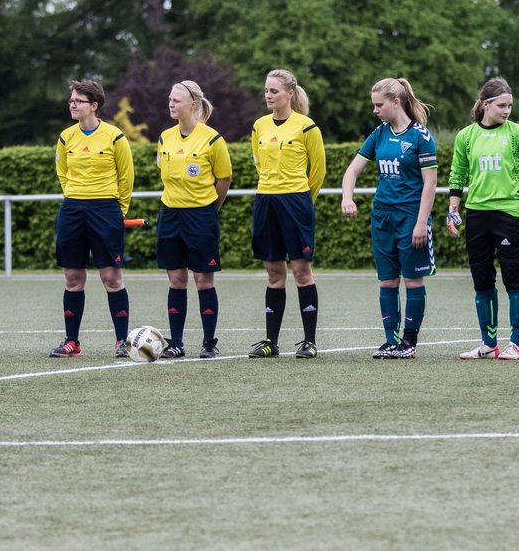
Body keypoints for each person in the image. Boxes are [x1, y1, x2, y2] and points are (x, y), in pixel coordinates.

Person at [341, 78, 437, 359]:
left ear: (396, 102)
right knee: (387, 281)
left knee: (413, 281)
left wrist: (422, 222)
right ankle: (390, 341)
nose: (375, 110)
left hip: (410, 216)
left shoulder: (421, 136)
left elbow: (429, 184)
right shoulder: (379, 134)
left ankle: (409, 342)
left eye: (379, 104)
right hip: (382, 216)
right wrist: (348, 197)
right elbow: (352, 171)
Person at [447, 77, 519, 360]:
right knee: (482, 281)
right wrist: (453, 210)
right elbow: (457, 174)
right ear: (486, 104)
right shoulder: (466, 136)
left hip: (509, 214)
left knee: (514, 280)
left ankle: (515, 343)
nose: (507, 110)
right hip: (476, 215)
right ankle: (488, 345)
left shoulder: (517, 133)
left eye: (510, 105)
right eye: (502, 105)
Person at [50, 80, 135, 359]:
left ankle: (121, 341)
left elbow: (126, 177)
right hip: (73, 209)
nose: (72, 104)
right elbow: (62, 172)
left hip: (106, 210)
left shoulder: (115, 136)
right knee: (73, 277)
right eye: (71, 100)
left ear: (94, 106)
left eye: (79, 101)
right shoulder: (66, 137)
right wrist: (75, 195)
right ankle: (72, 342)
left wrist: (118, 211)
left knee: (111, 277)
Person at [248, 69, 326, 359]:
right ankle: (271, 341)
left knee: (301, 271)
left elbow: (318, 171)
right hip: (266, 201)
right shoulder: (258, 126)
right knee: (273, 272)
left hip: (296, 202)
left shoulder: (307, 127)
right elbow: (258, 163)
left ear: (289, 94)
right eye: (266, 91)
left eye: (274, 91)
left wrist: (304, 200)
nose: (268, 95)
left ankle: (309, 341)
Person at [155, 80, 231, 359]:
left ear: (193, 105)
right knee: (176, 279)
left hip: (201, 215)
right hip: (170, 214)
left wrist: (211, 208)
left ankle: (209, 342)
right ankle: (176, 342)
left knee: (203, 279)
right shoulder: (164, 137)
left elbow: (224, 178)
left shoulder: (212, 139)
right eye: (170, 99)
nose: (171, 104)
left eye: (177, 100)